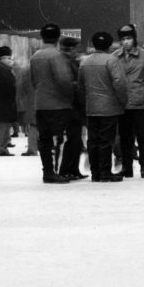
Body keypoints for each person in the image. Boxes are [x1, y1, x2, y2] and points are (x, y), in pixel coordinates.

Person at [79, 32, 128, 183]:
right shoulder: (112, 61)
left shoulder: (85, 62)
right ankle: (105, 171)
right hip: (110, 107)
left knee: (93, 140)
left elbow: (81, 86)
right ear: (109, 45)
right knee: (107, 140)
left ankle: (95, 173)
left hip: (91, 106)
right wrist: (123, 101)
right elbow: (119, 83)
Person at [29, 23, 73, 184]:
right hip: (58, 104)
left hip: (41, 103)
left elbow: (33, 80)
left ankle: (47, 170)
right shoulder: (57, 56)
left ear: (42, 37)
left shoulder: (35, 56)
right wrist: (70, 96)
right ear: (58, 37)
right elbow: (63, 80)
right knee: (58, 139)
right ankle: (55, 171)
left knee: (44, 140)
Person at [113, 24, 144, 178]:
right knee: (125, 138)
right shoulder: (115, 57)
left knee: (143, 137)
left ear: (134, 39)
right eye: (123, 39)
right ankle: (127, 167)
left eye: (129, 38)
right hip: (122, 103)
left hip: (141, 103)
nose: (126, 42)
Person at [57, 36, 87, 180]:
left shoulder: (70, 61)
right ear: (70, 48)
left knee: (75, 140)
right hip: (71, 106)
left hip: (74, 106)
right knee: (72, 139)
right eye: (76, 48)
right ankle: (66, 169)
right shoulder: (65, 62)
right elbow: (68, 83)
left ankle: (73, 168)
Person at [0, 46, 17, 157]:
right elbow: (7, 85)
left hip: (0, 102)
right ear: (4, 57)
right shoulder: (1, 69)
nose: (11, 60)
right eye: (9, 57)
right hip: (3, 102)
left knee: (2, 126)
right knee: (3, 126)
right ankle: (2, 149)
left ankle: (0, 148)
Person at [15, 59, 38, 157]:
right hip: (47, 100)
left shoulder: (25, 70)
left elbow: (20, 86)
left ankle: (32, 149)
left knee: (33, 125)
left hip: (31, 101)